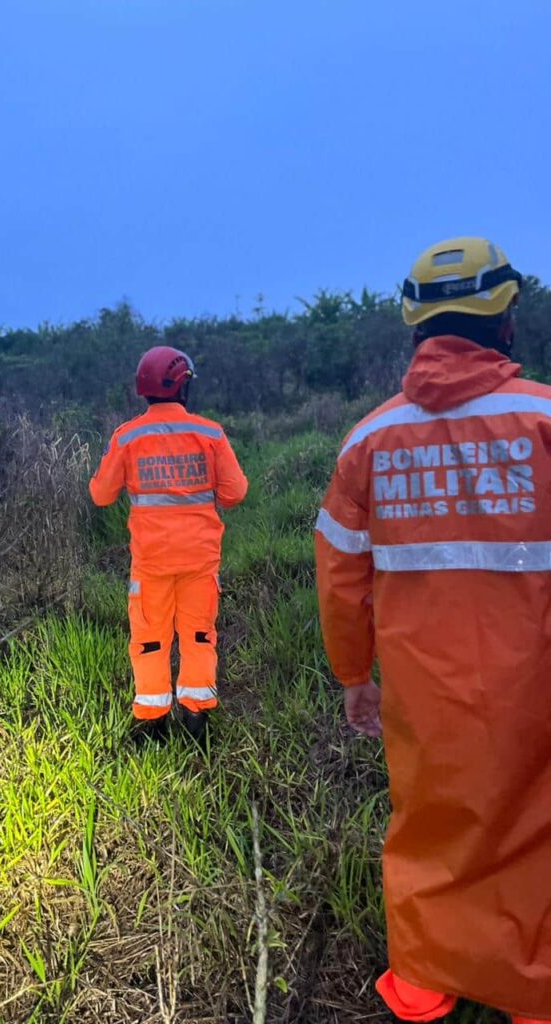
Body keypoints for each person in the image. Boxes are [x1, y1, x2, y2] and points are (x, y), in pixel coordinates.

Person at [315, 237, 551, 1023]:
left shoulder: (366, 442)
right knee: (533, 819)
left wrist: (355, 676)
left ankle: (422, 978)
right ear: (506, 321)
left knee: (426, 817)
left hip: (420, 689)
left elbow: (340, 577)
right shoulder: (544, 421)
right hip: (535, 685)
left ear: (416, 326)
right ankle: (533, 987)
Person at [90, 345, 247, 746]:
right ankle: (196, 719)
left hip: (151, 562)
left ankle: (153, 722)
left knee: (150, 640)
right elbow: (235, 492)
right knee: (198, 635)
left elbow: (101, 496)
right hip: (200, 558)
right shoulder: (210, 433)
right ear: (182, 387)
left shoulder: (127, 437)